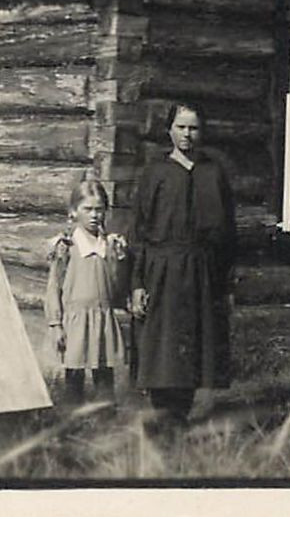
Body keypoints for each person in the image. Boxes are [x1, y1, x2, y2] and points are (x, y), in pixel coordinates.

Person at [130, 102, 237, 425]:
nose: (187, 134)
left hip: (202, 273)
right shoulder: (155, 173)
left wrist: (226, 284)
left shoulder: (213, 172)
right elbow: (139, 230)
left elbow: (228, 234)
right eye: (181, 127)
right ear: (169, 130)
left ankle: (182, 415)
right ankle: (163, 416)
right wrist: (136, 283)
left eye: (194, 128)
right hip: (161, 270)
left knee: (193, 348)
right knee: (162, 349)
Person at [44, 178, 131, 403]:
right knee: (74, 380)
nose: (94, 215)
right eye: (88, 209)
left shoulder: (110, 245)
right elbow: (54, 286)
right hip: (75, 322)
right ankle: (72, 427)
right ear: (74, 211)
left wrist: (119, 260)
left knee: (104, 380)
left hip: (102, 319)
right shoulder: (66, 247)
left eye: (99, 209)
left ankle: (105, 427)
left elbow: (116, 286)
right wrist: (56, 324)